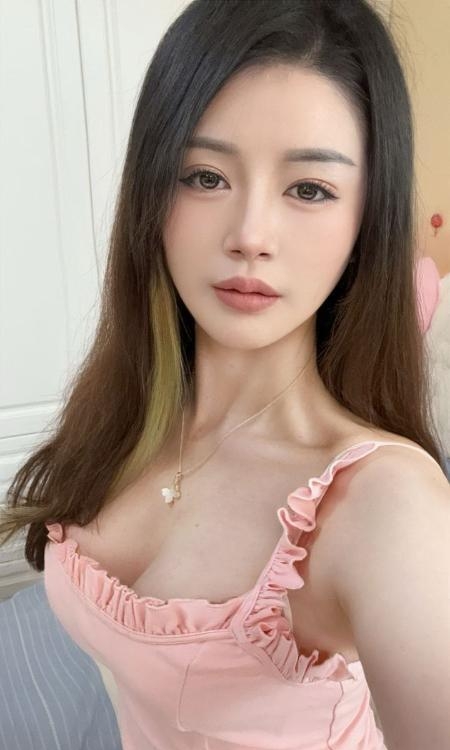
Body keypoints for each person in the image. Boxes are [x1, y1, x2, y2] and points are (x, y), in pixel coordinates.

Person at [1, 1, 449, 748]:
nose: (249, 235)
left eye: (309, 189)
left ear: (365, 221)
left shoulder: (381, 505)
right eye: (205, 176)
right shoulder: (125, 408)